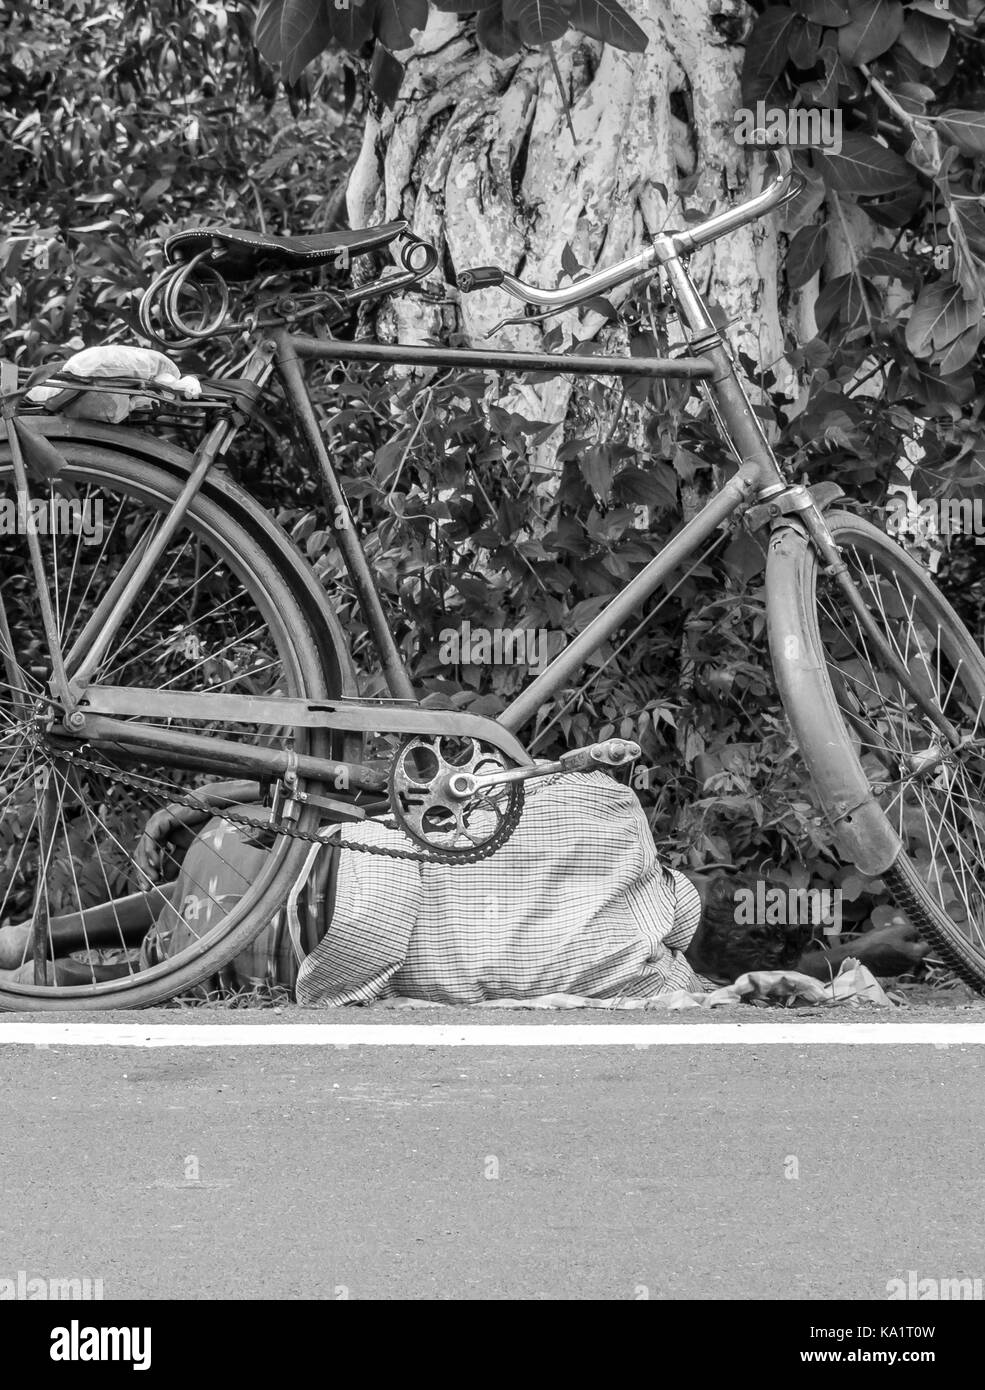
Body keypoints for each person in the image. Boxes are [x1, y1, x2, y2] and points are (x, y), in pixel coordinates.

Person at [0, 770, 929, 997]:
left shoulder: (609, 815)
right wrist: (862, 955)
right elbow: (757, 989)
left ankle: (40, 949)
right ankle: (46, 968)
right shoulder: (638, 982)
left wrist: (236, 791)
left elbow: (425, 791)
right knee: (232, 932)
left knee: (294, 883)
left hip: (289, 869)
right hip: (296, 948)